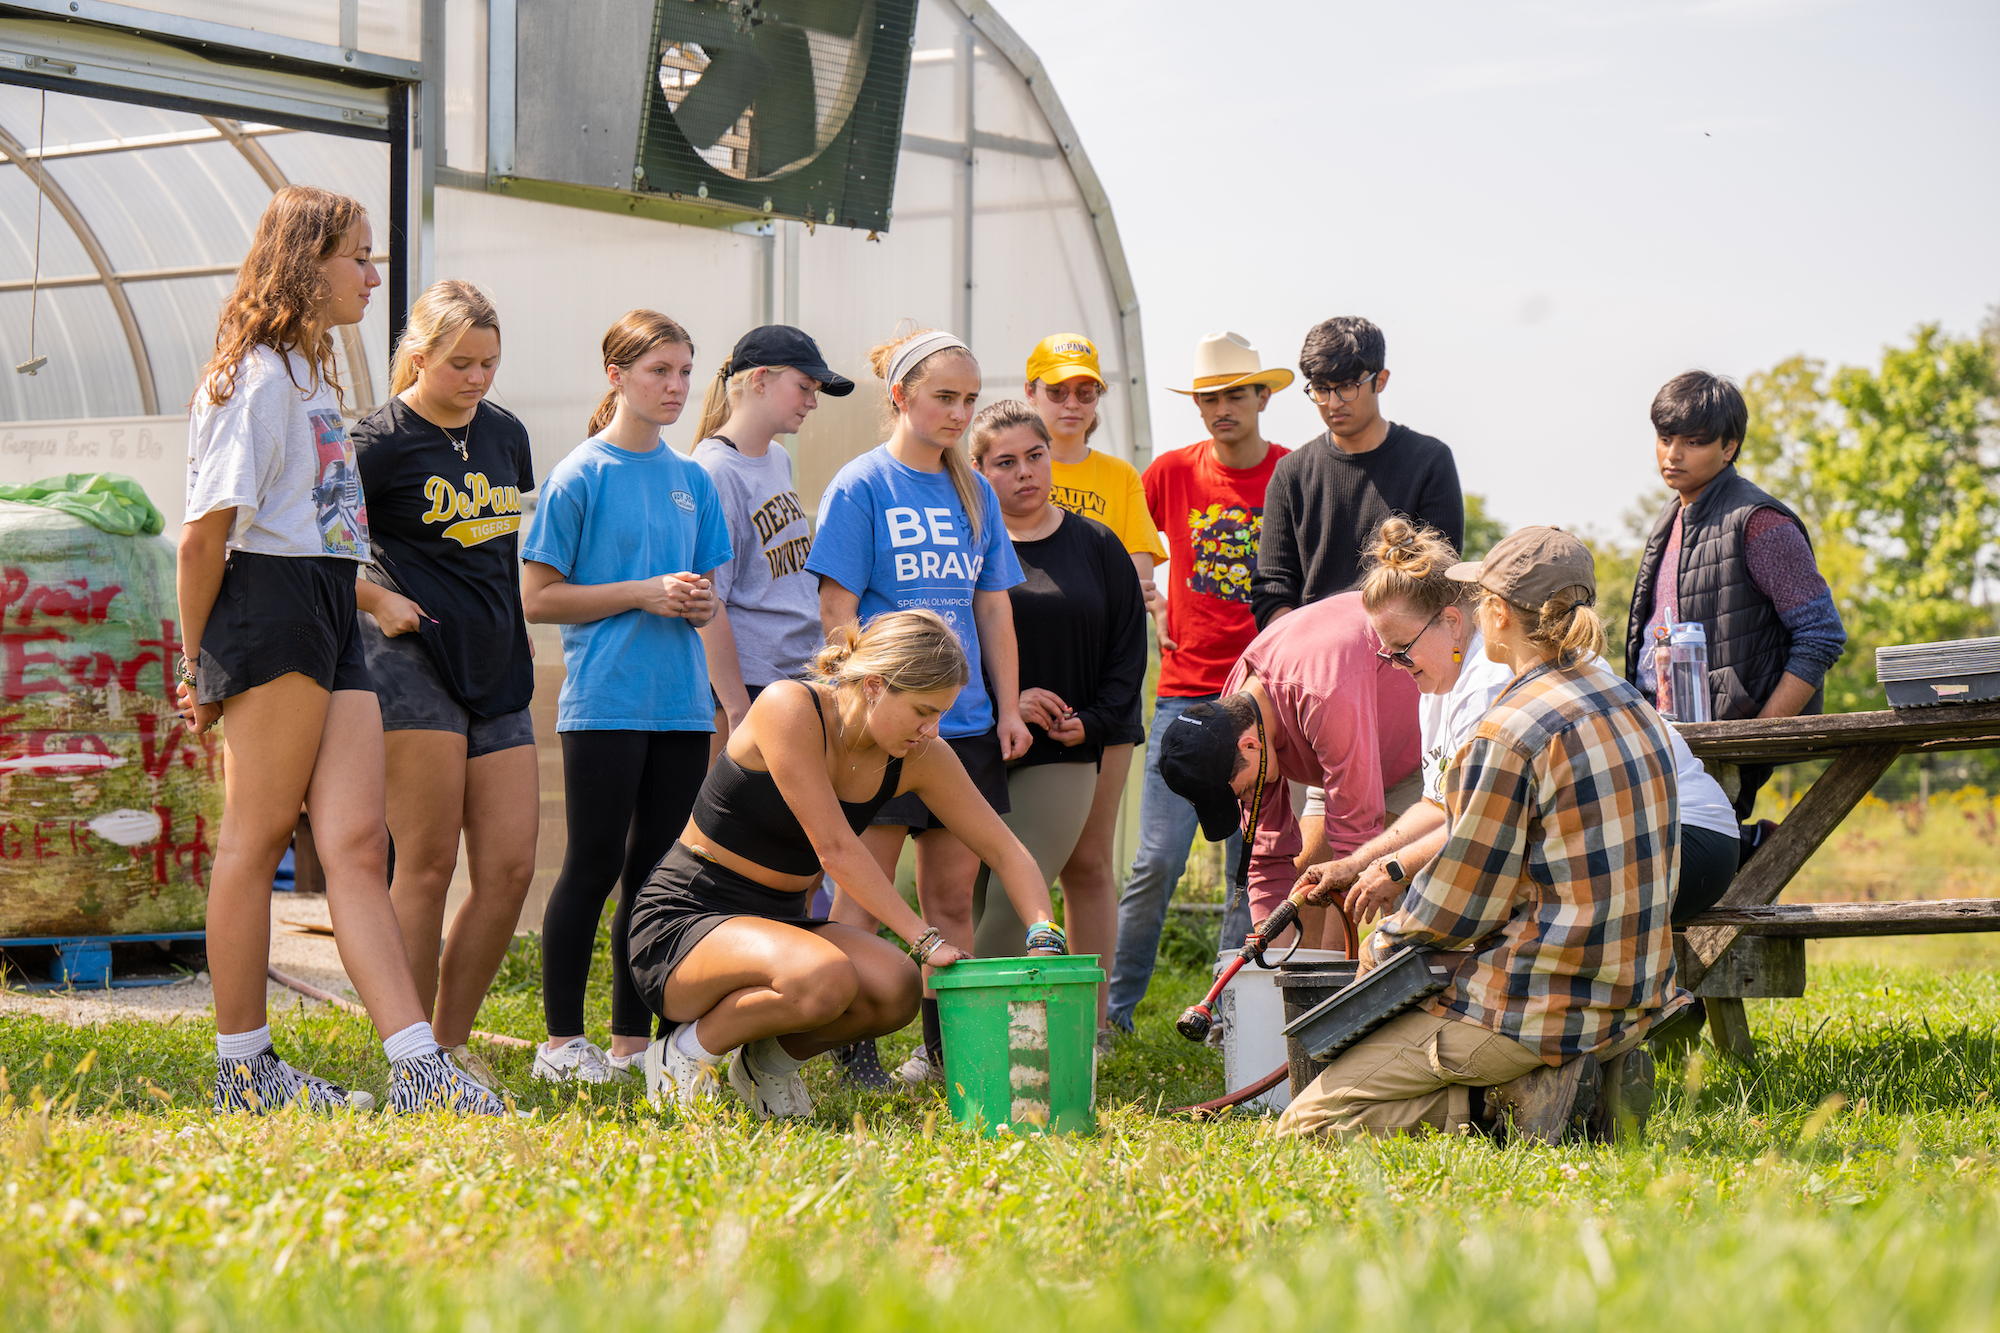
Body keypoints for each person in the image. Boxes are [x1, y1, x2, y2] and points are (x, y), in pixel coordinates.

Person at [178, 185, 500, 1115]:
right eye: (359, 256)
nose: (373, 274)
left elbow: (324, 519)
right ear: (306, 262)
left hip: (328, 595)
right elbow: (205, 537)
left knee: (358, 844)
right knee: (253, 837)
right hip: (268, 601)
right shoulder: (252, 377)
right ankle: (245, 1068)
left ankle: (418, 1066)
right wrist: (195, 660)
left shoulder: (316, 371)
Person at [1276, 527, 1691, 1145]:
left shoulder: (1509, 732)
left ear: (1496, 613)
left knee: (1305, 1124)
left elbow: (1456, 904)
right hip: (1637, 991)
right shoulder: (1632, 704)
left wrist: (1380, 946)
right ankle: (1560, 1082)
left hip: (1536, 1005)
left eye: (1479, 600)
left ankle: (1506, 1103)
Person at [626, 611, 1063, 1116]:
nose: (931, 730)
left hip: (783, 926)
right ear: (875, 685)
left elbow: (1006, 850)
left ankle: (764, 1067)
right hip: (687, 922)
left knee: (895, 987)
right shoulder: (788, 706)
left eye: (940, 714)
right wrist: (926, 939)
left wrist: (1044, 934)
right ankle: (681, 1055)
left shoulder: (922, 756)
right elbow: (834, 847)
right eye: (923, 710)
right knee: (827, 976)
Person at [1299, 519, 1743, 935]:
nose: (1395, 665)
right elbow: (1441, 806)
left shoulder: (1496, 682)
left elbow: (1482, 827)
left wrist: (1397, 871)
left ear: (1458, 622)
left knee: (1482, 903)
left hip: (1683, 839)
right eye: (1388, 654)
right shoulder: (1439, 683)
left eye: (1402, 649)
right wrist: (1355, 864)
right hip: (1644, 838)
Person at [805, 327, 1027, 1088]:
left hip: (960, 729)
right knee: (862, 897)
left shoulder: (976, 492)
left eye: (969, 399)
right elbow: (838, 607)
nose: (960, 414)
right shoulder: (861, 485)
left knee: (951, 903)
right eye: (944, 397)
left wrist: (1005, 708)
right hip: (885, 730)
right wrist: (862, 708)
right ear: (900, 396)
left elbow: (992, 608)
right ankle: (849, 1047)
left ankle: (942, 1055)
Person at [520, 310, 732, 1085]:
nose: (676, 387)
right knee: (593, 863)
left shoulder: (691, 481)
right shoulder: (580, 475)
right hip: (604, 703)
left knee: (656, 877)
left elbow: (707, 593)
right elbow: (538, 599)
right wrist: (643, 592)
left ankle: (632, 1045)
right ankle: (560, 1043)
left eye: (684, 372)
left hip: (680, 706)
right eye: (659, 372)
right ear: (616, 377)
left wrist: (697, 605)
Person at [351, 279, 538, 1093]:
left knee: (509, 866)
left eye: (490, 362)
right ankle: (411, 1054)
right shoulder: (379, 440)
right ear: (418, 357)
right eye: (461, 363)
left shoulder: (507, 434)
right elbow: (316, 541)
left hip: (498, 659)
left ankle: (452, 1043)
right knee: (424, 862)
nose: (478, 378)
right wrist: (378, 596)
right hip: (409, 658)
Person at [1107, 332, 1291, 1031]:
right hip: (1185, 691)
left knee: (1251, 867)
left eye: (1235, 395)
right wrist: (1146, 592)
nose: (1221, 409)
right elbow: (1128, 543)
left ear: (1262, 397)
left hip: (1262, 702)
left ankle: (1225, 1015)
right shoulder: (1169, 473)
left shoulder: (1292, 473)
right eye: (1209, 398)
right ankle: (1113, 1014)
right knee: (1156, 859)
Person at [968, 400, 1147, 1035]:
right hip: (987, 731)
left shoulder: (1097, 543)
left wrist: (1095, 721)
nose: (1025, 473)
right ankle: (977, 1026)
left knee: (1088, 865)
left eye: (1035, 456)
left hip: (1087, 736)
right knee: (990, 879)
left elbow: (1130, 647)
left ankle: (1090, 1027)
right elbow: (956, 641)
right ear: (978, 470)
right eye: (1006, 462)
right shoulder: (970, 545)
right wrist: (1005, 701)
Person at [1626, 369, 1846, 852]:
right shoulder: (1671, 518)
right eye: (1665, 438)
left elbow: (1822, 635)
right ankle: (1749, 846)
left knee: (1678, 872)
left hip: (1723, 746)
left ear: (1730, 447)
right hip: (1661, 736)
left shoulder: (1759, 522)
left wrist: (1758, 739)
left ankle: (1751, 846)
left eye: (1694, 441)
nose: (1673, 454)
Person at [1154, 591, 1423, 950]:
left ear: (1249, 747)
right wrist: (1269, 963)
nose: (1247, 800)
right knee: (1307, 879)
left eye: (1242, 792)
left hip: (1417, 744)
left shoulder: (1320, 694)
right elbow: (1266, 856)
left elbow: (1353, 848)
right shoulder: (1236, 712)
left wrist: (1330, 980)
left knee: (1388, 887)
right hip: (1343, 746)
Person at [1021, 333, 1158, 1014]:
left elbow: (1140, 575)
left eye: (1085, 391)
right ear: (1030, 393)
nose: (1071, 403)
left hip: (1101, 688)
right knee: (1016, 863)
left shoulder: (1118, 479)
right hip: (1022, 685)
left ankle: (1092, 1016)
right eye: (1057, 390)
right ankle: (1017, 1000)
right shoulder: (998, 471)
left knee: (1088, 860)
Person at [690, 326, 855, 747]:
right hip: (752, 689)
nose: (813, 402)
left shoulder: (777, 457)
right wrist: (736, 708)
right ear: (760, 380)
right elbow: (709, 603)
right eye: (804, 386)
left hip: (798, 678)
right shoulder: (714, 471)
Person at [1253, 316, 1463, 628]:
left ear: (1381, 380)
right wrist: (1302, 648)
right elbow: (1272, 589)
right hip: (1311, 650)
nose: (1333, 403)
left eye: (1347, 387)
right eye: (1321, 390)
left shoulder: (1429, 461)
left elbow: (1438, 580)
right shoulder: (1290, 473)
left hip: (1404, 650)